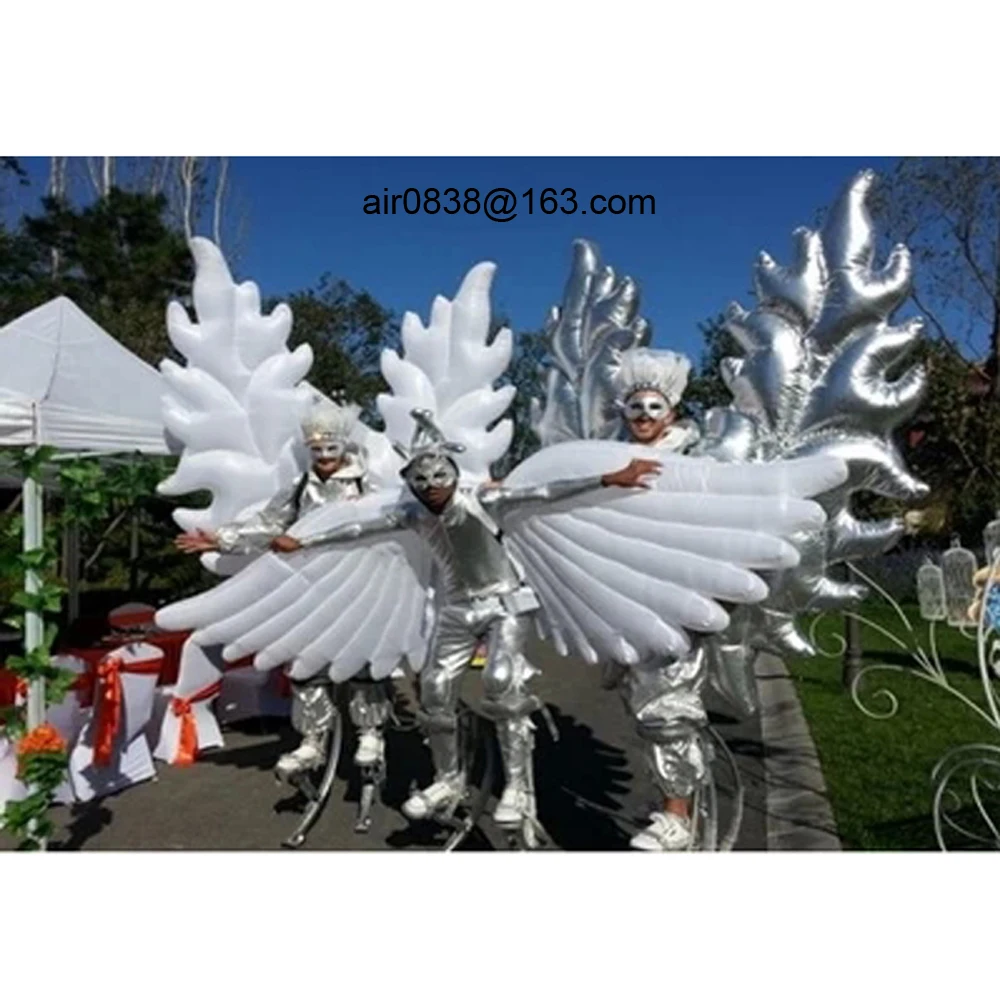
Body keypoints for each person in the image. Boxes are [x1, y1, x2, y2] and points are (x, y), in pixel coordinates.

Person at [282, 409, 661, 837]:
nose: (431, 487)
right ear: (409, 481)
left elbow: (544, 493)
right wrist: (303, 541)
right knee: (435, 689)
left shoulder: (483, 499)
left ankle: (517, 785)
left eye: (440, 476)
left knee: (500, 682)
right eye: (421, 480)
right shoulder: (413, 516)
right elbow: (357, 529)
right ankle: (448, 779)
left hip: (504, 604)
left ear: (453, 473)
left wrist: (610, 478)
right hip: (458, 610)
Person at [174, 398, 392, 784]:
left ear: (344, 447)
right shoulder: (300, 488)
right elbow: (269, 525)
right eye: (316, 450)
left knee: (362, 663)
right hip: (310, 589)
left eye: (331, 448)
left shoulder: (367, 485)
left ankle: (370, 732)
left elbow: (389, 523)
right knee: (307, 666)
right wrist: (221, 539)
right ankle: (313, 737)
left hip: (355, 585)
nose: (324, 456)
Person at [609, 347, 707, 851]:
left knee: (668, 707)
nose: (644, 416)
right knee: (645, 704)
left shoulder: (687, 461)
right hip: (632, 597)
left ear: (671, 412)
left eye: (654, 407)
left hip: (679, 593)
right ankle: (674, 800)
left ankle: (677, 816)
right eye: (635, 407)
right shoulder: (614, 461)